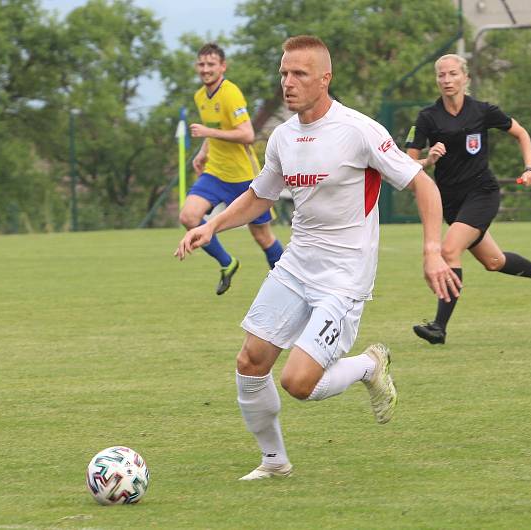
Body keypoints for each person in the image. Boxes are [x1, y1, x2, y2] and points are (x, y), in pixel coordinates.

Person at [176, 35, 459, 480]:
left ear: (324, 79)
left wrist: (432, 250)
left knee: (298, 383)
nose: (288, 83)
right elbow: (258, 195)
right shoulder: (283, 138)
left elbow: (423, 184)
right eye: (284, 73)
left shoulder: (359, 130)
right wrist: (211, 224)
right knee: (250, 363)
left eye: (299, 74)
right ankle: (274, 462)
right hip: (296, 265)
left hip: (345, 278)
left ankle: (369, 364)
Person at [405, 53, 531, 345]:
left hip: (483, 193)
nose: (447, 80)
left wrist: (530, 168)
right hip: (452, 203)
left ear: (465, 78)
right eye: (441, 75)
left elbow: (522, 133)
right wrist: (428, 160)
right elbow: (407, 165)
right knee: (495, 261)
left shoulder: (482, 111)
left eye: (453, 74)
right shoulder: (427, 118)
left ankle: (439, 328)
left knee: (449, 250)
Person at [179, 43, 284, 295]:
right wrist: (203, 152)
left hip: (243, 176)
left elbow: (247, 134)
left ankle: (289, 284)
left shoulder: (231, 93)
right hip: (215, 172)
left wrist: (207, 133)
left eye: (211, 64)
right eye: (201, 64)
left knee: (263, 238)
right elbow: (215, 128)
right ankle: (227, 263)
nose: (205, 69)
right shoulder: (200, 96)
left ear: (222, 67)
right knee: (189, 217)